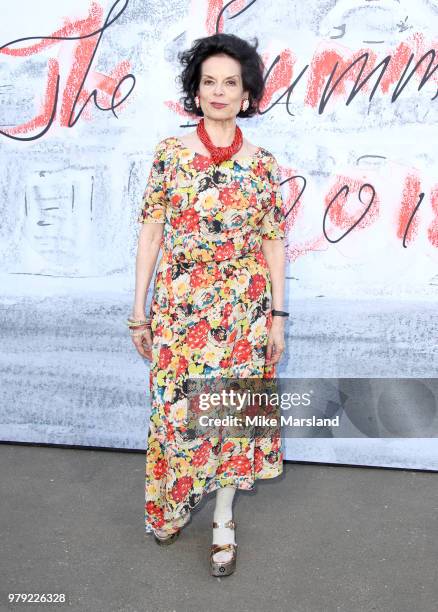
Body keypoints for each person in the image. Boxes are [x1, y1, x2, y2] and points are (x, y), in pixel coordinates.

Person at [128, 33, 288, 577]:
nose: (219, 92)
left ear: (247, 96)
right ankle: (171, 504)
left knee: (231, 418)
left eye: (231, 83)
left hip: (243, 310)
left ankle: (223, 520)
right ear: (196, 93)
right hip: (180, 307)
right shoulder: (170, 155)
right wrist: (139, 308)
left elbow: (272, 241)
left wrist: (278, 316)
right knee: (177, 415)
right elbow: (151, 232)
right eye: (209, 82)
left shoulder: (263, 164)